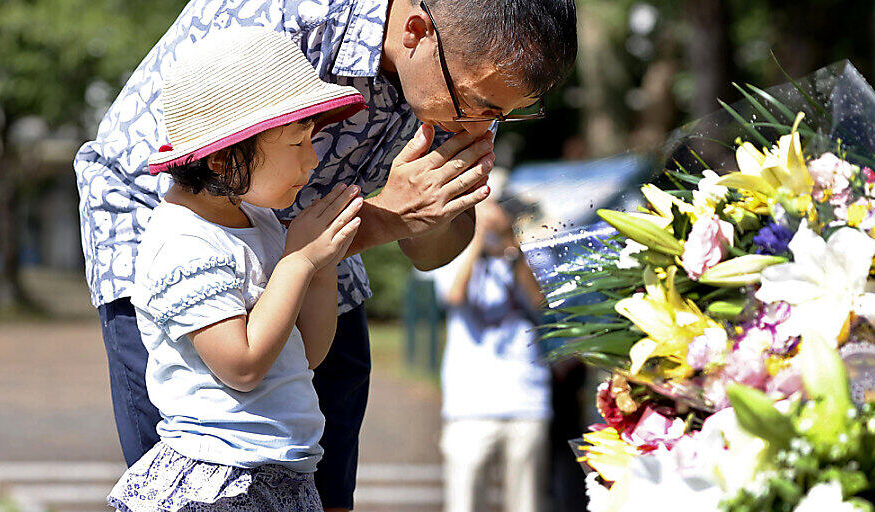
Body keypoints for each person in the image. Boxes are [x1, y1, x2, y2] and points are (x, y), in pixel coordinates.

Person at [75, 0, 577, 509]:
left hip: (311, 232)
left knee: (323, 468)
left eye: (503, 111)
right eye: (479, 104)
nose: (482, 123)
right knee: (204, 444)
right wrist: (375, 221)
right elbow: (204, 180)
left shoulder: (463, 71)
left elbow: (430, 251)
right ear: (416, 32)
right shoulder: (281, 21)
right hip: (168, 211)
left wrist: (427, 211)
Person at [106, 29, 366, 511]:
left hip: (283, 471)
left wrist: (323, 265)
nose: (312, 161)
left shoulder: (260, 220)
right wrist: (300, 259)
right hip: (219, 478)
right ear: (227, 159)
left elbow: (305, 353)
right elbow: (242, 365)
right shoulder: (184, 242)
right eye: (296, 143)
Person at [432, 197, 551, 512]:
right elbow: (455, 294)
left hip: (527, 402)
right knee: (464, 504)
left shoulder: (525, 256)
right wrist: (476, 238)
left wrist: (510, 244)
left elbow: (540, 303)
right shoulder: (448, 257)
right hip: (467, 407)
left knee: (527, 504)